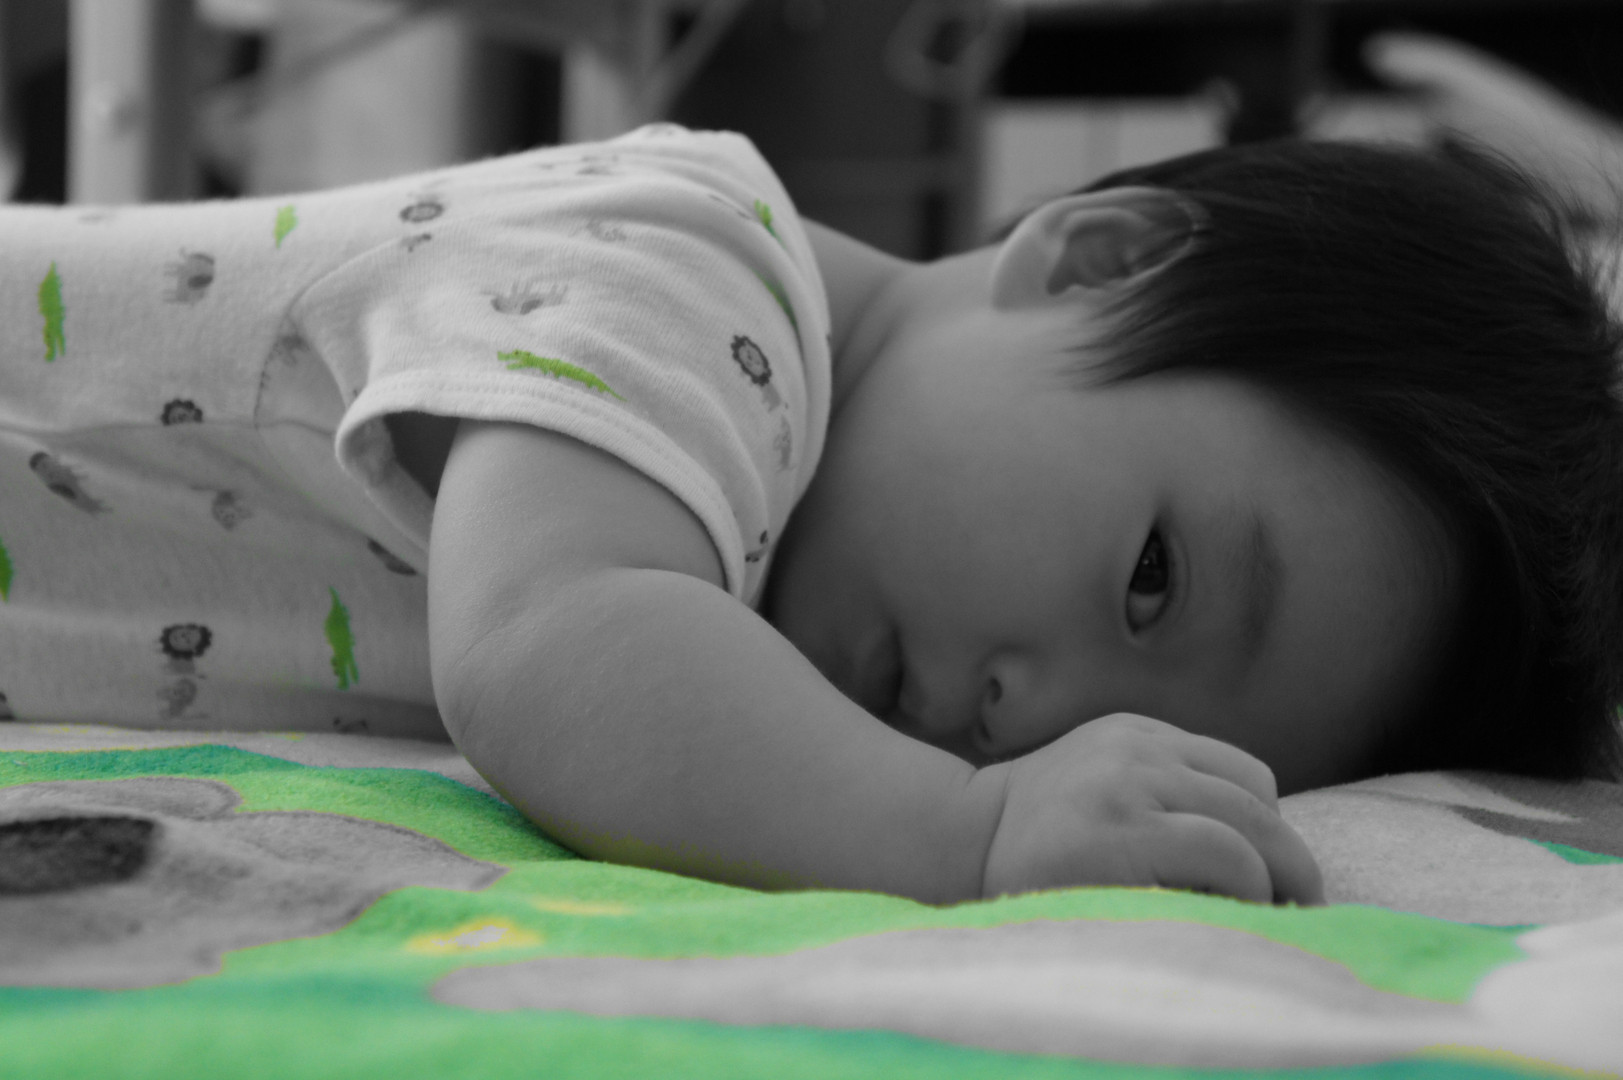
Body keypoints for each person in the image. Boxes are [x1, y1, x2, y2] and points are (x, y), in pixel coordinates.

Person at [1, 105, 1618, 906]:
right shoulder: (693, 267)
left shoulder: (747, 525)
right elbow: (548, 644)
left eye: (1152, 735)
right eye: (1149, 581)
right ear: (1101, 264)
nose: (1033, 721)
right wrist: (968, 832)